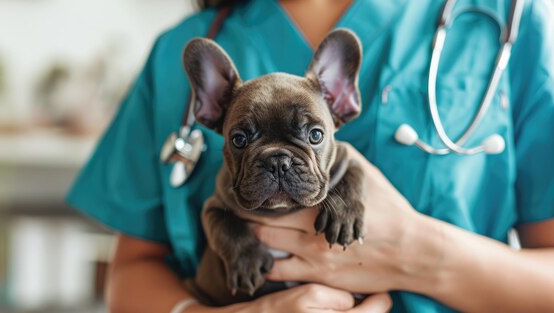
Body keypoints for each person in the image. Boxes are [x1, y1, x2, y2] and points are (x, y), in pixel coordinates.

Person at [67, 0, 554, 312]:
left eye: (308, 139)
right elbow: (129, 274)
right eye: (242, 139)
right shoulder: (178, 47)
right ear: (209, 108)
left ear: (342, 100)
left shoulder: (508, 18)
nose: (280, 162)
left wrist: (420, 253)